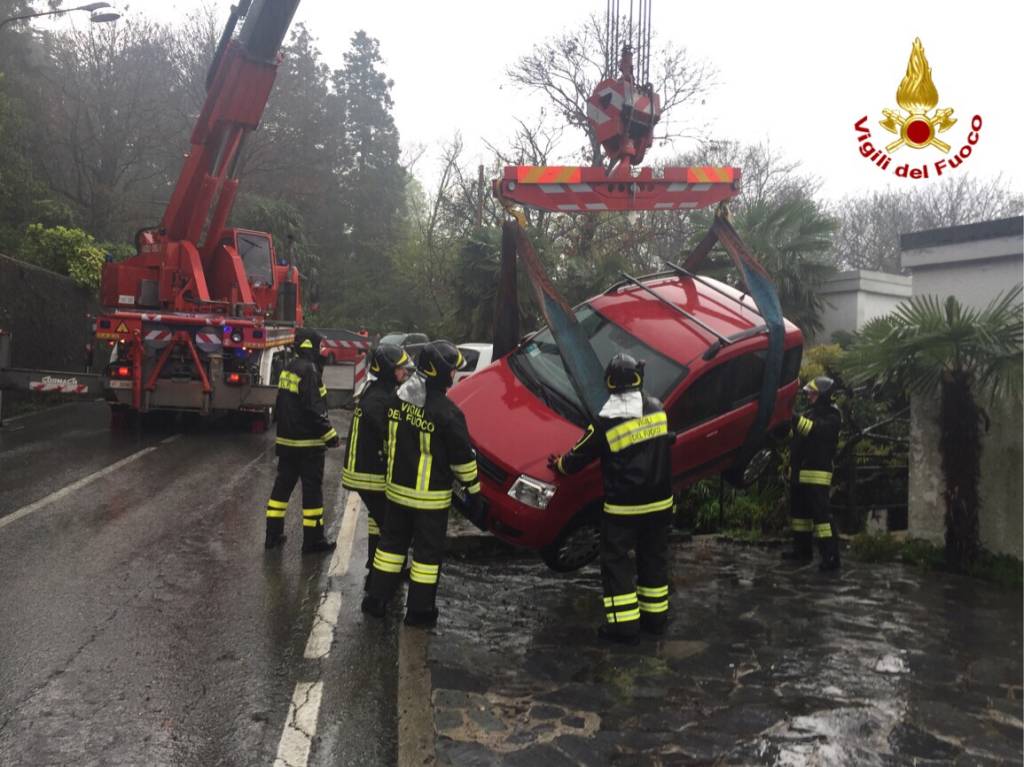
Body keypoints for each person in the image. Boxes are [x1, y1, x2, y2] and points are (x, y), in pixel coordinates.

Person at [551, 353, 674, 645]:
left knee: (617, 564)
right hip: (660, 505)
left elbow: (576, 458)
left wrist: (558, 465)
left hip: (623, 509)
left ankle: (624, 627)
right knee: (653, 560)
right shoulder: (657, 408)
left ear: (609, 383)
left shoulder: (605, 421)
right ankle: (655, 621)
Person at [361, 340, 481, 627]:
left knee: (390, 547)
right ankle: (419, 611)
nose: (453, 376)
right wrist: (474, 493)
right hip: (430, 501)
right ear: (440, 372)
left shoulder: (397, 400)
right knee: (426, 558)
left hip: (396, 493)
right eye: (452, 371)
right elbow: (462, 461)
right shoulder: (449, 413)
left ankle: (376, 600)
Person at [342, 342, 414, 580]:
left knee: (378, 520)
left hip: (371, 469)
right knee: (392, 526)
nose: (404, 372)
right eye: (400, 368)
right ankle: (383, 578)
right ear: (387, 369)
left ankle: (375, 564)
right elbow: (388, 435)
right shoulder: (378, 399)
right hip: (368, 472)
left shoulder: (379, 391)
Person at [264, 327, 340, 553]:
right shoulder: (309, 371)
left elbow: (284, 404)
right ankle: (313, 541)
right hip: (308, 446)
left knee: (281, 490)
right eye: (319, 346)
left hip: (287, 443)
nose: (321, 349)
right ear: (311, 347)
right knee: (312, 493)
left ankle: (272, 536)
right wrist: (330, 436)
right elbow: (314, 408)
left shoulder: (290, 368)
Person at [782, 375, 842, 571]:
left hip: (817, 475)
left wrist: (790, 416)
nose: (809, 397)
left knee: (822, 519)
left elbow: (813, 430)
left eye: (813, 394)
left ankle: (830, 557)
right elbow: (796, 437)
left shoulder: (832, 416)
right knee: (799, 517)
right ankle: (802, 551)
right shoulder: (810, 413)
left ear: (824, 395)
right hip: (800, 474)